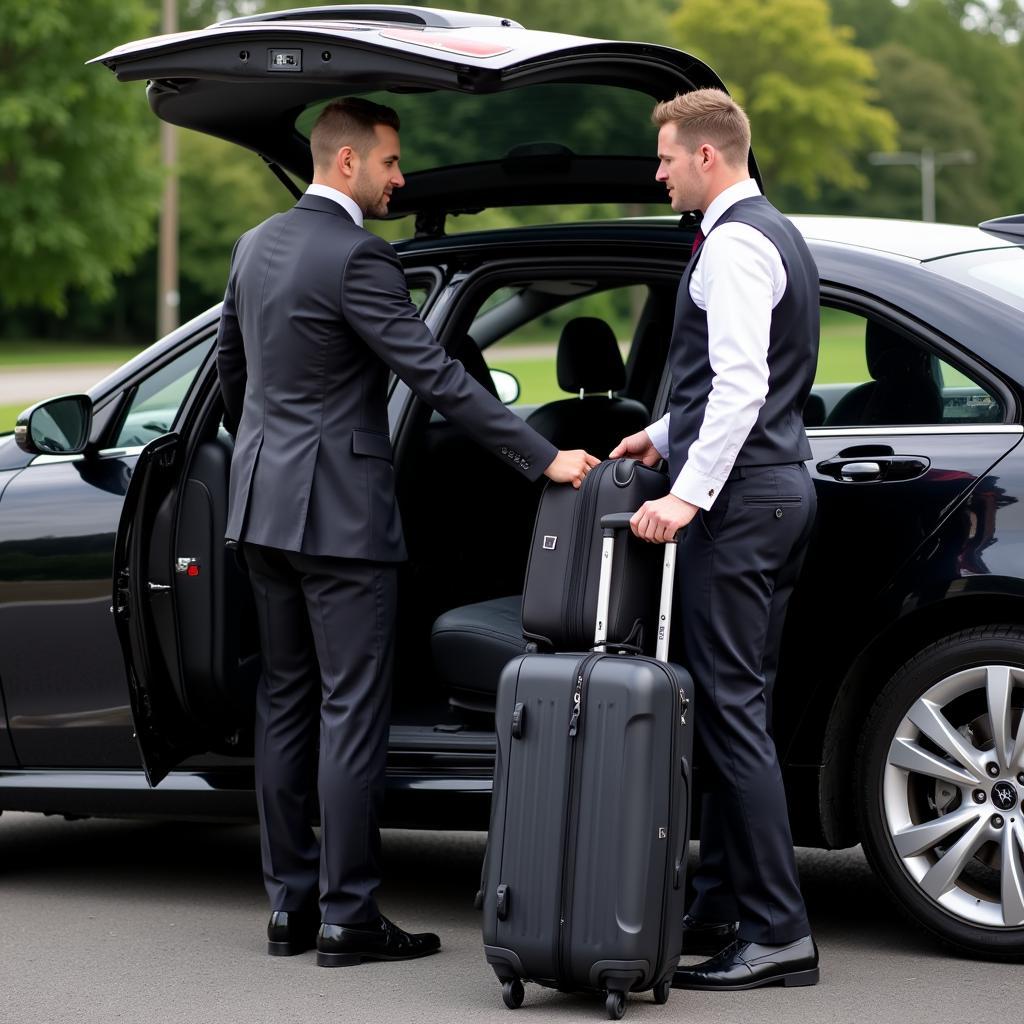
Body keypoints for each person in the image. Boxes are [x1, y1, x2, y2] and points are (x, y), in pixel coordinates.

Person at [217, 97, 599, 968]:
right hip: (341, 518)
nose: (401, 177)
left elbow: (233, 374)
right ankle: (350, 918)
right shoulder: (359, 257)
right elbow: (436, 377)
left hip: (261, 508)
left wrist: (269, 457)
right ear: (347, 163)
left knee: (286, 703)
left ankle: (290, 910)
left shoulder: (254, 246)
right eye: (391, 162)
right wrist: (542, 459)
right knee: (351, 710)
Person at [611, 88, 820, 990]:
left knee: (731, 717)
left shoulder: (732, 245)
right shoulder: (774, 231)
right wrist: (659, 434)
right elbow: (728, 384)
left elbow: (740, 388)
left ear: (707, 156)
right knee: (747, 711)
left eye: (665, 157)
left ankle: (779, 931)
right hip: (778, 495)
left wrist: (685, 496)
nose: (656, 172)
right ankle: (725, 904)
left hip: (738, 509)